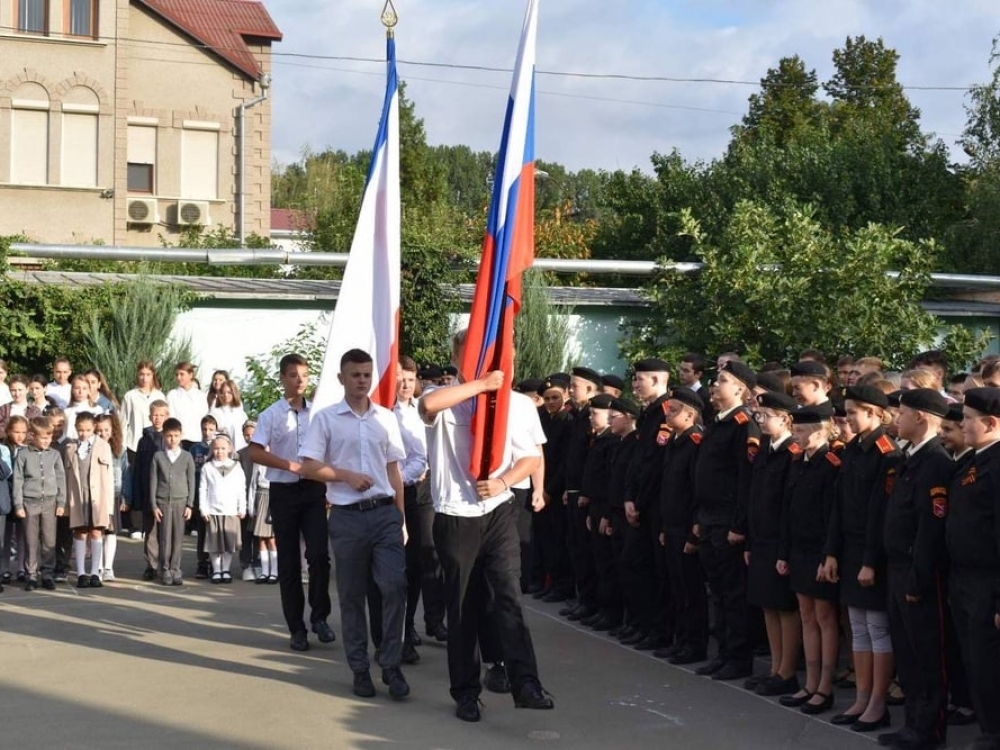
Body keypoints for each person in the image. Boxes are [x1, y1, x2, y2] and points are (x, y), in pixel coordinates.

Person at [420, 329, 552, 722]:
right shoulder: (450, 401)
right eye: (474, 353)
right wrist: (480, 385)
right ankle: (465, 691)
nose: (487, 359)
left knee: (508, 594)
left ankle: (525, 682)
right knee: (463, 606)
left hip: (498, 509)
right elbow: (428, 404)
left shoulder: (518, 405)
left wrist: (504, 481)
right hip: (456, 514)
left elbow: (529, 457)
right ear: (459, 357)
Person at [300, 348, 409, 701]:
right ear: (342, 378)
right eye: (355, 375)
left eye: (366, 374)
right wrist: (344, 475)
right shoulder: (327, 419)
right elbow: (309, 466)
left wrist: (400, 515)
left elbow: (395, 469)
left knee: (394, 586)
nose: (361, 380)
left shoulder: (385, 419)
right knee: (352, 595)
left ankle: (391, 663)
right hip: (347, 516)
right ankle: (360, 669)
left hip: (384, 514)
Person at [879, 388, 953, 750]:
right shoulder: (906, 458)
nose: (897, 419)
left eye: (902, 413)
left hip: (916, 570)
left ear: (921, 417)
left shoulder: (936, 461)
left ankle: (929, 728)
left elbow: (930, 527)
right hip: (896, 566)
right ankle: (912, 722)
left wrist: (919, 577)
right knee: (906, 653)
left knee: (926, 654)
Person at [822, 385, 900, 731]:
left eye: (854, 411)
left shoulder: (887, 453)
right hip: (850, 549)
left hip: (874, 552)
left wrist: (870, 560)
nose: (847, 417)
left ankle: (877, 703)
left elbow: (879, 513)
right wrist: (831, 552)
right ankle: (862, 697)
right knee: (859, 628)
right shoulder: (853, 449)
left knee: (877, 629)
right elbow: (840, 507)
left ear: (875, 414)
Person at [248, 353, 334, 652]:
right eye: (295, 375)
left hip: (313, 490)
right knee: (288, 563)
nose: (301, 381)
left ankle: (320, 616)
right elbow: (255, 452)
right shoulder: (271, 414)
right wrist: (289, 465)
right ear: (283, 377)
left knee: (320, 555)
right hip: (284, 491)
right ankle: (296, 627)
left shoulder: (319, 413)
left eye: (305, 375)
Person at [693, 360, 761, 681]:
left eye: (721, 380)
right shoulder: (717, 422)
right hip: (708, 517)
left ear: (739, 389)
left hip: (727, 520)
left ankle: (739, 657)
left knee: (733, 592)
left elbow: (745, 480)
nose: (714, 384)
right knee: (717, 590)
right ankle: (723, 652)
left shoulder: (742, 424)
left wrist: (739, 525)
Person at [776, 406, 841, 716]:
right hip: (799, 550)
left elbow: (832, 516)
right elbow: (787, 511)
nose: (796, 436)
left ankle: (824, 687)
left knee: (824, 618)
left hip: (819, 552)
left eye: (800, 431)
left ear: (818, 431)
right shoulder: (796, 462)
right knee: (806, 615)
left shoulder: (830, 464)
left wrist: (828, 555)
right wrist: (783, 552)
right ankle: (810, 682)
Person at [947, 387, 1000, 750]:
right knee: (972, 657)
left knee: (987, 661)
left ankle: (994, 730)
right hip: (964, 577)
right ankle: (988, 726)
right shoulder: (974, 460)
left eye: (967, 419)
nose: (961, 424)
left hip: (989, 581)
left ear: (991, 422)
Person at [744, 391, 801, 696]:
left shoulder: (792, 452)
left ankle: (787, 671)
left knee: (784, 607)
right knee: (768, 605)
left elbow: (787, 504)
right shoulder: (766, 448)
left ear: (786, 419)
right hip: (762, 538)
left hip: (780, 540)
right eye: (759, 415)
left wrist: (783, 548)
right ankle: (774, 668)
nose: (761, 420)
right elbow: (756, 496)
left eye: (767, 416)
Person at [394, 355, 445, 656]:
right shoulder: (387, 412)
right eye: (401, 379)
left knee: (429, 555)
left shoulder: (422, 409)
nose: (405, 385)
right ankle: (405, 625)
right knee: (406, 561)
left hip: (424, 490)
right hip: (398, 488)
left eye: (410, 380)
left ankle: (433, 620)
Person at [656, 387, 709, 664]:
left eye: (673, 409)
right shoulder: (674, 442)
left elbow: (695, 491)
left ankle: (694, 644)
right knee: (676, 587)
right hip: (672, 524)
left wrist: (693, 531)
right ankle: (681, 640)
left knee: (691, 590)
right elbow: (669, 489)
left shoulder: (695, 443)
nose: (668, 413)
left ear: (689, 414)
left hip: (687, 528)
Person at [13, 417, 66, 590]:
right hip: (29, 503)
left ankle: (48, 574)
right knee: (31, 540)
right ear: (33, 436)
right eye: (43, 437)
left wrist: (61, 502)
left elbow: (61, 479)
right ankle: (32, 575)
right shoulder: (23, 455)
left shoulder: (55, 454)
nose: (46, 441)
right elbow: (18, 480)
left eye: (49, 437)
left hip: (50, 503)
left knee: (49, 540)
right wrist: (19, 505)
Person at [64, 411, 114, 589]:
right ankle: (81, 573)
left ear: (94, 428)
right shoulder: (70, 448)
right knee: (80, 532)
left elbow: (109, 478)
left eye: (87, 430)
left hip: (97, 497)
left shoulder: (103, 447)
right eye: (80, 430)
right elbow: (67, 477)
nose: (83, 433)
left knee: (96, 532)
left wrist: (109, 506)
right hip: (78, 497)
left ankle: (95, 572)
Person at [126, 400, 169, 579]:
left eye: (161, 415)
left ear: (167, 416)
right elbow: (137, 469)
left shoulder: (170, 438)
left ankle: (166, 564)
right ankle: (151, 565)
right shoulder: (144, 439)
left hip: (166, 492)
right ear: (150, 416)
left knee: (166, 531)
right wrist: (137, 494)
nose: (157, 418)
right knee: (150, 530)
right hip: (147, 491)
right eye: (154, 415)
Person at [149, 417, 195, 585]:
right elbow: (153, 481)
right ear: (163, 436)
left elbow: (191, 481)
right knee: (164, 538)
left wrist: (190, 504)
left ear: (181, 435)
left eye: (176, 435)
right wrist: (154, 505)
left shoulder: (187, 457)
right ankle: (165, 569)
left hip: (181, 502)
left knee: (178, 538)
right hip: (163, 502)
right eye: (169, 436)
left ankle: (176, 569)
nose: (173, 439)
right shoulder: (158, 456)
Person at [200, 434, 246, 584]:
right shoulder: (208, 467)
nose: (219, 451)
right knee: (214, 544)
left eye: (223, 448)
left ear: (230, 449)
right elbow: (203, 488)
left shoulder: (236, 466)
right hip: (213, 510)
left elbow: (241, 488)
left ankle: (225, 569)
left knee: (228, 544)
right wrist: (203, 508)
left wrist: (242, 507)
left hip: (231, 510)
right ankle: (216, 570)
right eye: (216, 448)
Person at [94, 413, 126, 581]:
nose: (102, 433)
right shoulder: (91, 447)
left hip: (114, 494)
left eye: (106, 429)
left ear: (113, 430)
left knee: (111, 531)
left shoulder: (119, 450)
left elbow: (126, 473)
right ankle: (97, 567)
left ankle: (108, 567)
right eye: (98, 430)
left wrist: (125, 496)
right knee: (98, 530)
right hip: (96, 495)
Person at [119, 361, 167, 457]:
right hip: (134, 446)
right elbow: (123, 422)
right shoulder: (130, 396)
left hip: (155, 446)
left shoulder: (159, 396)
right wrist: (122, 445)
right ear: (137, 374)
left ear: (152, 375)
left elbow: (165, 420)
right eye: (142, 374)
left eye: (148, 374)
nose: (144, 378)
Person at [167, 362, 206, 448]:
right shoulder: (172, 395)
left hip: (196, 439)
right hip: (178, 441)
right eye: (176, 375)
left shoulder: (201, 396)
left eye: (182, 374)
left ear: (190, 375)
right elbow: (171, 417)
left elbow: (204, 417)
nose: (178, 377)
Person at [209, 380, 249, 451]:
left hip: (242, 449)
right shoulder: (215, 412)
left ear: (234, 393)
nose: (226, 395)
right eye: (223, 392)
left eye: (229, 392)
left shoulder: (241, 412)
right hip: (223, 450)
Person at [62, 374, 104, 440]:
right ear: (72, 390)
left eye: (84, 388)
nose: (80, 392)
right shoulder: (66, 411)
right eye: (77, 388)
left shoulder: (97, 409)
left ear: (89, 390)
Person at [0, 375, 43, 439]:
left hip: (27, 446)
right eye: (13, 390)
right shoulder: (3, 408)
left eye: (20, 390)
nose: (17, 394)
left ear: (27, 389)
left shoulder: (35, 411)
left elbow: (36, 431)